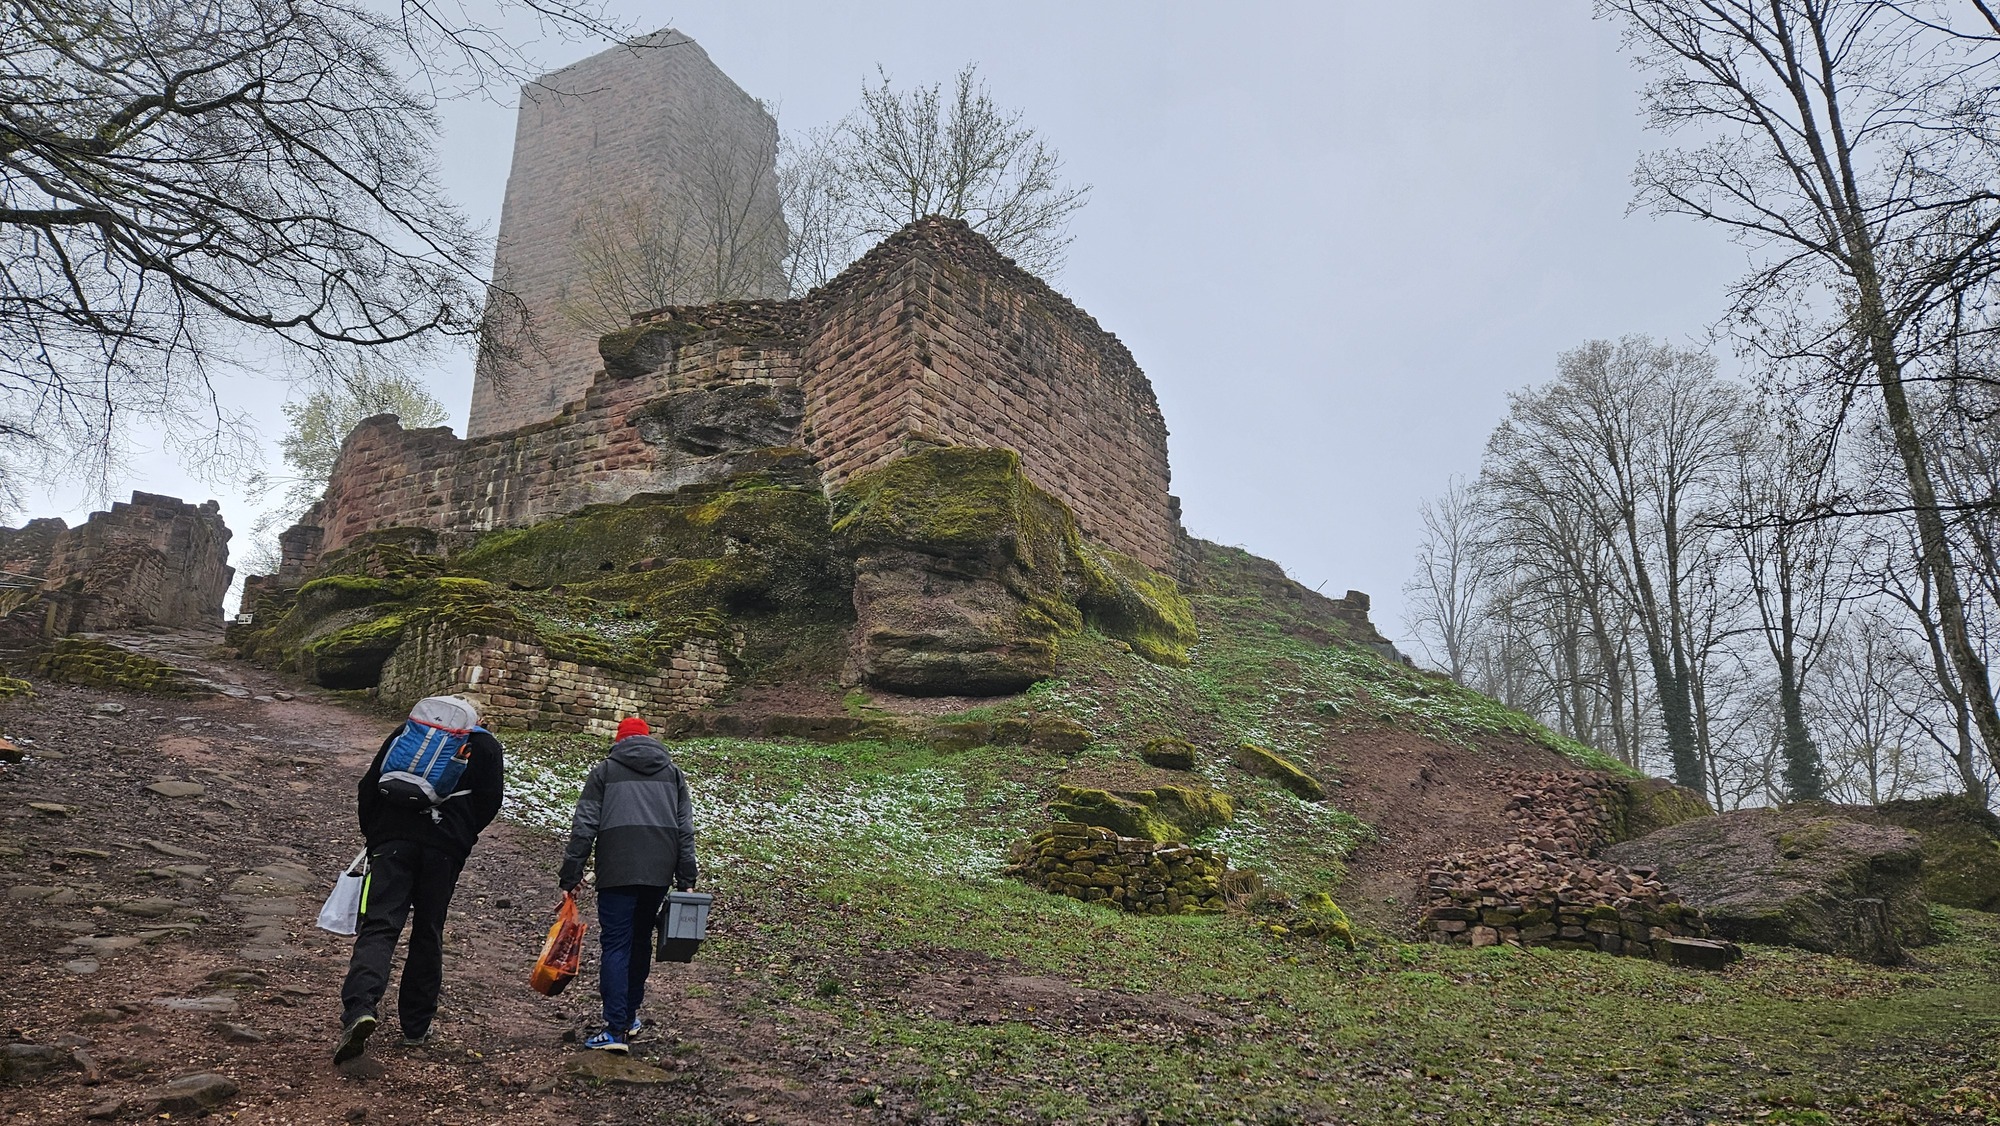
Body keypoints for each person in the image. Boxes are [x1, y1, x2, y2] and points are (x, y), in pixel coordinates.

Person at [334, 699, 504, 1064]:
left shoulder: (408, 733)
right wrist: (462, 836)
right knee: (428, 930)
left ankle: (359, 1009)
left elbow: (369, 785)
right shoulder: (486, 745)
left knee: (380, 925)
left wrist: (376, 835)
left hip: (391, 842)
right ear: (479, 718)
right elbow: (490, 802)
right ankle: (415, 1027)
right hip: (444, 850)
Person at [557, 715, 698, 1054]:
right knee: (639, 942)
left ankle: (614, 1028)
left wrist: (571, 873)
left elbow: (584, 825)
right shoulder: (673, 774)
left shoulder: (604, 771)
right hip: (658, 873)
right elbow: (685, 830)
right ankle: (630, 1016)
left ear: (619, 741)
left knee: (616, 945)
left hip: (617, 870)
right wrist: (687, 878)